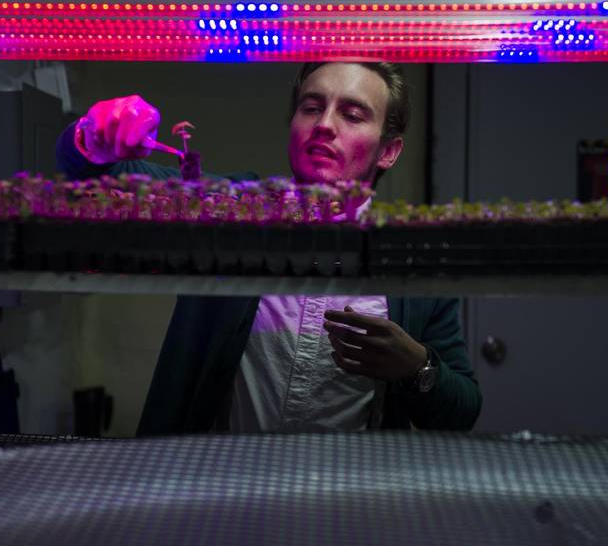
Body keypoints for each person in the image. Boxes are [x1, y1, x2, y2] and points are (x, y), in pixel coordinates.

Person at [56, 62, 481, 435]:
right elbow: (96, 175)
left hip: (350, 506)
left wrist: (416, 367)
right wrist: (95, 134)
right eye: (311, 107)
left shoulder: (414, 260)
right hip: (214, 497)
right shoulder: (231, 211)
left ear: (388, 150)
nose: (324, 124)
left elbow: (462, 410)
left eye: (351, 114)